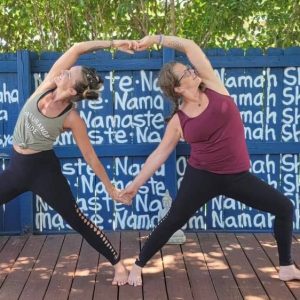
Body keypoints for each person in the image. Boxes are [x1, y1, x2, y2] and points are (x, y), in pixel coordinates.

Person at [120, 34, 300, 286]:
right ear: (178, 88)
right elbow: (159, 154)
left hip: (237, 176)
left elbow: (189, 46)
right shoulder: (178, 120)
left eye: (190, 69)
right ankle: (138, 265)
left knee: (284, 207)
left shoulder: (213, 84)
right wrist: (134, 185)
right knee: (174, 220)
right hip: (201, 177)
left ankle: (286, 266)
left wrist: (156, 39)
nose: (192, 72)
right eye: (186, 74)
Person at [0, 39, 137, 285]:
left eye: (68, 74)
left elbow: (91, 157)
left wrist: (111, 189)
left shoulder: (72, 118)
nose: (62, 72)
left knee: (77, 219)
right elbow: (75, 49)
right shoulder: (48, 84)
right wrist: (115, 43)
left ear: (73, 90)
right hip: (17, 168)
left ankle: (118, 264)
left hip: (43, 172)